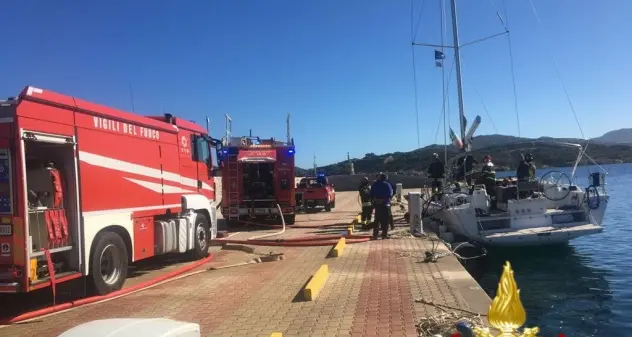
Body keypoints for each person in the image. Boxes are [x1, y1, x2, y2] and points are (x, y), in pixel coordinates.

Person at [370, 173, 393, 240]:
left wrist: (375, 200)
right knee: (385, 221)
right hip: (385, 204)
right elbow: (390, 194)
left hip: (377, 205)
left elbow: (371, 194)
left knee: (377, 220)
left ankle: (375, 235)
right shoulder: (387, 184)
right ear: (386, 178)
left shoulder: (375, 185)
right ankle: (384, 235)